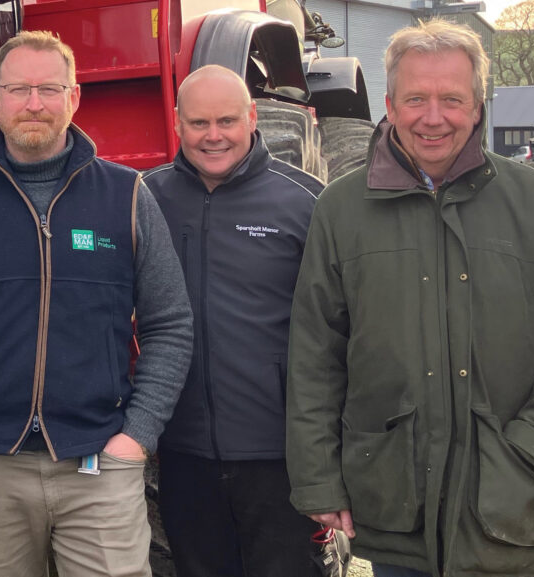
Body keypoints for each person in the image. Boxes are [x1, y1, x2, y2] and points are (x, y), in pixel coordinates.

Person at [286, 18, 534, 577]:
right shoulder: (341, 212)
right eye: (416, 98)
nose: (433, 117)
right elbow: (315, 356)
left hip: (517, 514)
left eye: (451, 99)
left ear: (478, 104)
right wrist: (320, 477)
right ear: (390, 103)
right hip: (398, 512)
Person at [0, 30, 193, 577]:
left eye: (48, 89)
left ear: (74, 97)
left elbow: (170, 324)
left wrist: (136, 438)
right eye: (18, 89)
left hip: (99, 462)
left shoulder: (127, 196)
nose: (33, 103)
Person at [142, 64, 327, 577]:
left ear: (252, 117)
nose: (214, 135)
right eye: (199, 123)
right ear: (178, 123)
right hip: (182, 453)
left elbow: (342, 327)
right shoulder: (145, 199)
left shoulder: (306, 201)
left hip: (279, 456)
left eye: (227, 120)